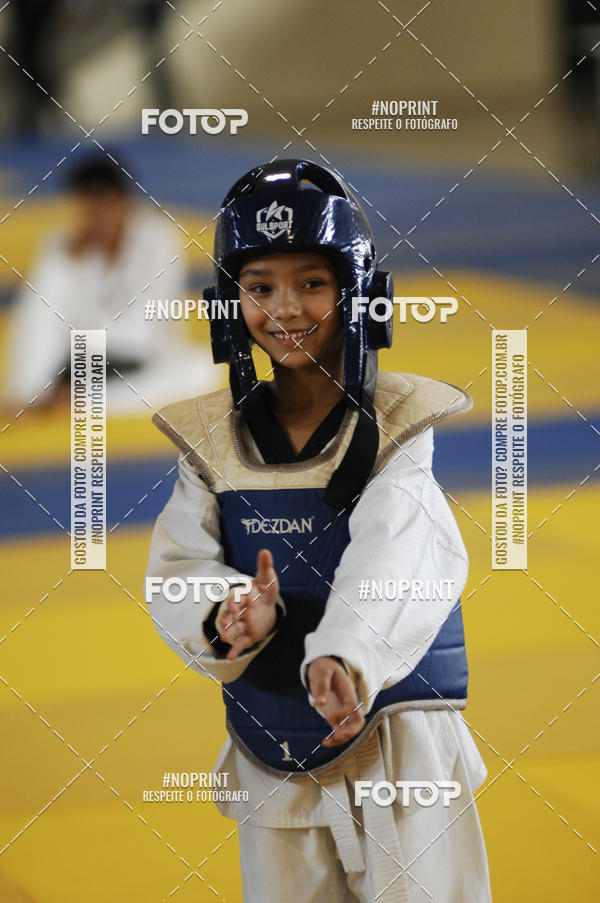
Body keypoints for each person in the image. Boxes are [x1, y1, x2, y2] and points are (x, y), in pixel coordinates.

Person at [145, 159, 492, 902]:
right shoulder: (211, 442)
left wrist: (347, 653)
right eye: (260, 286)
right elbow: (178, 563)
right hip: (269, 744)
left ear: (359, 296)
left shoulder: (401, 426)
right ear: (228, 306)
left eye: (312, 283)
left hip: (400, 744)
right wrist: (228, 611)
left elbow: (395, 550)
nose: (286, 308)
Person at [2, 153, 217, 414]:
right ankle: (37, 394)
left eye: (103, 203)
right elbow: (41, 324)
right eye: (88, 205)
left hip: (139, 363)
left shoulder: (158, 238)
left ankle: (75, 401)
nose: (96, 215)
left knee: (204, 370)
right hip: (78, 362)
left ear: (122, 200)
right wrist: (71, 265)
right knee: (49, 286)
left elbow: (149, 328)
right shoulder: (64, 246)